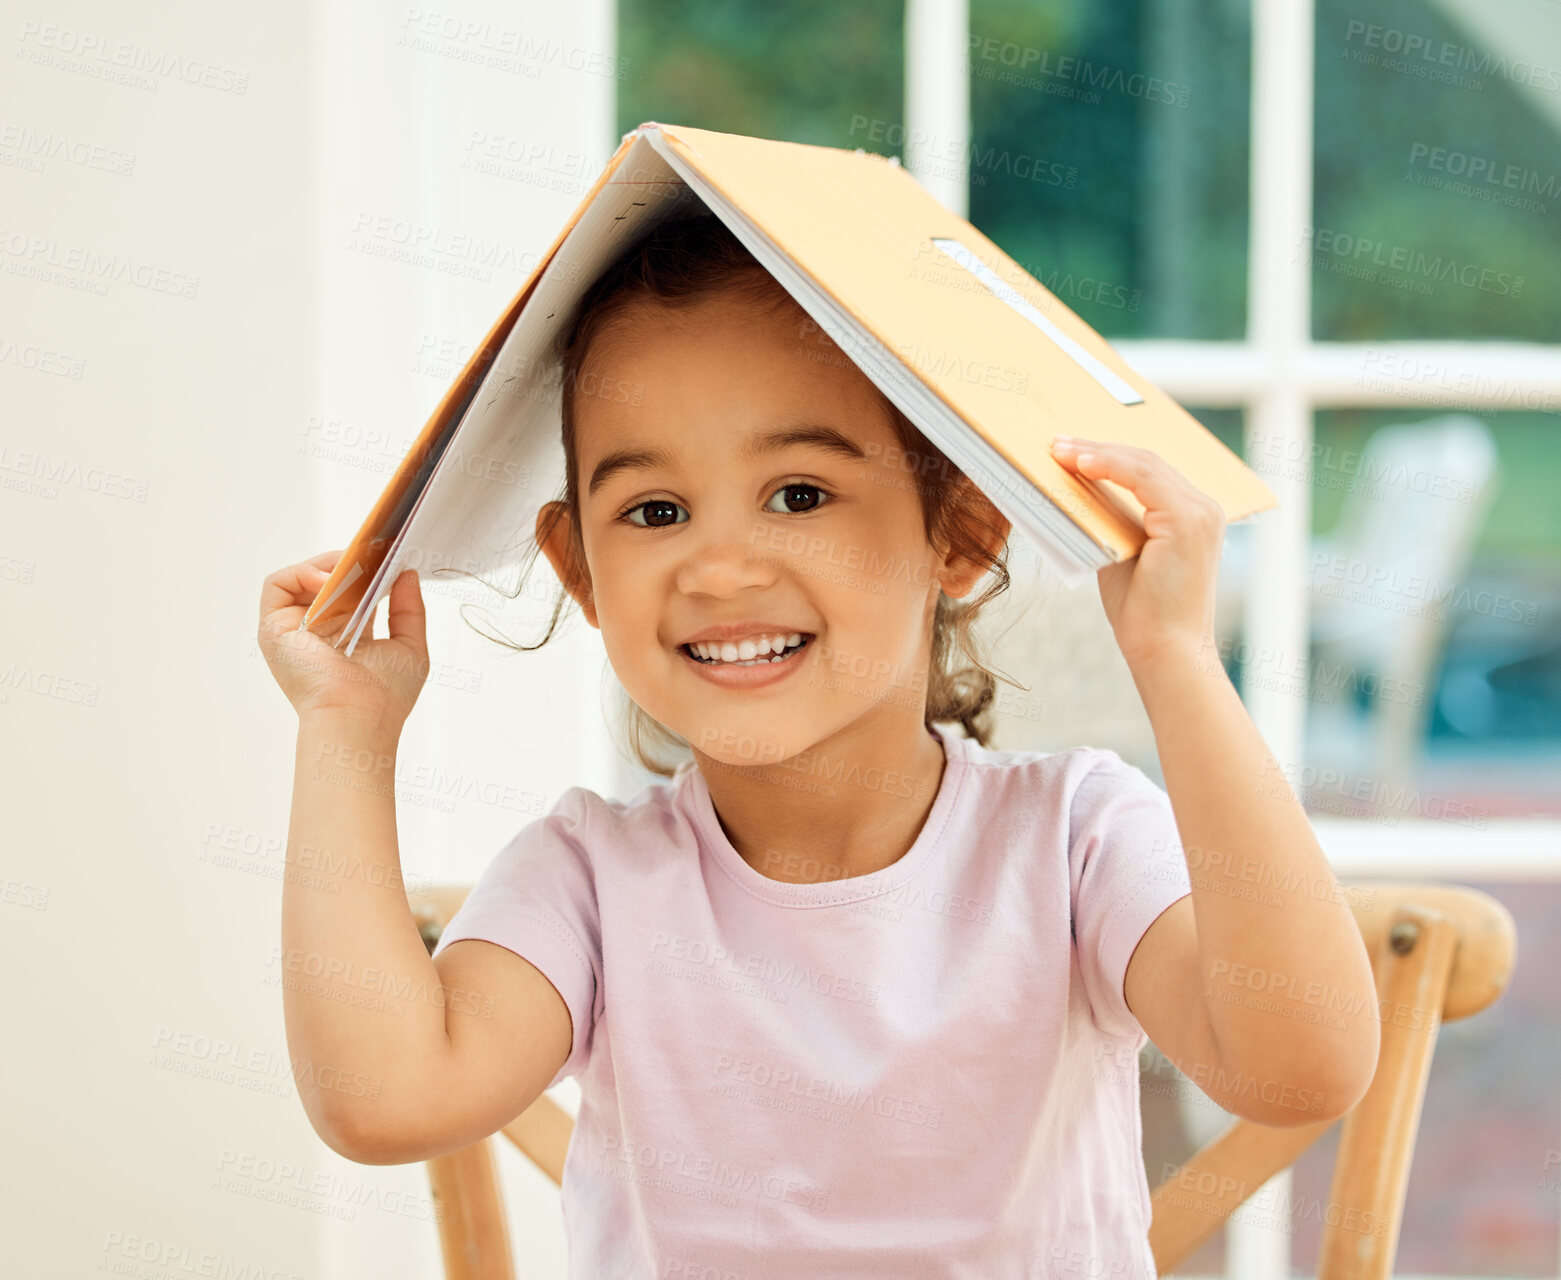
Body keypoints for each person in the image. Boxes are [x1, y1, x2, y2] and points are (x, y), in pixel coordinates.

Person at [257, 212, 1380, 1278]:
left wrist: (1174, 657)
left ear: (962, 533)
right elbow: (385, 1099)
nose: (722, 566)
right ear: (578, 568)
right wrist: (345, 734)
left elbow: (1301, 1061)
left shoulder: (1074, 837)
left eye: (798, 493)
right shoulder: (591, 881)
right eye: (654, 511)